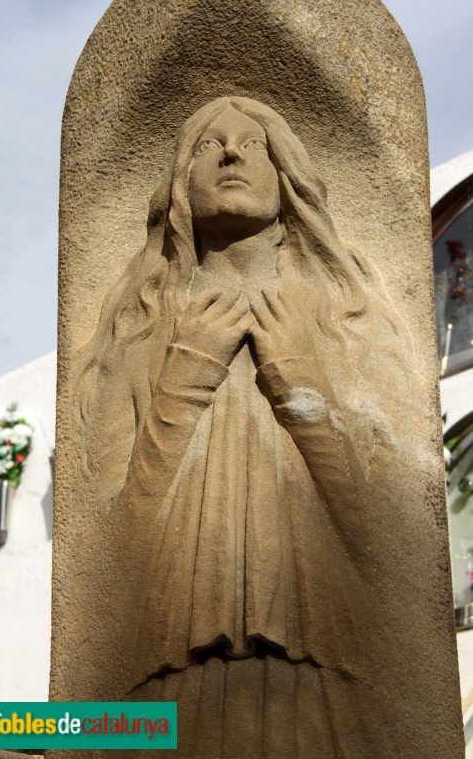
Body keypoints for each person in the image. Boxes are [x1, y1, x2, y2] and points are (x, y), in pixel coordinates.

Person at [75, 97, 419, 757]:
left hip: (322, 663)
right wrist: (183, 379)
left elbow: (390, 535)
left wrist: (300, 382)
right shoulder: (135, 333)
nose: (231, 152)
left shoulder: (346, 319)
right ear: (180, 181)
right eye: (209, 144)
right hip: (162, 678)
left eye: (252, 144)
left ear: (285, 176)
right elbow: (106, 552)